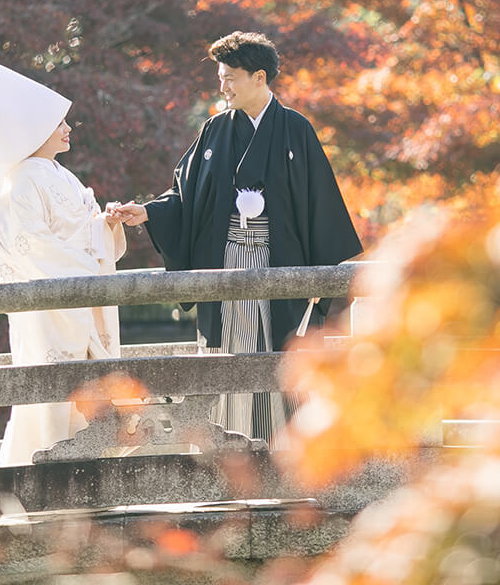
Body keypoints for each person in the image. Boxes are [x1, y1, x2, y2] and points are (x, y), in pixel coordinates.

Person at [113, 31, 363, 445]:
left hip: (279, 265)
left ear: (259, 77)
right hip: (226, 261)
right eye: (220, 77)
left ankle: (283, 452)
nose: (222, 86)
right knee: (227, 354)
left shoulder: (296, 130)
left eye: (230, 77)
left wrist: (321, 282)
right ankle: (226, 451)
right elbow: (185, 195)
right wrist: (148, 213)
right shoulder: (214, 131)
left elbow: (322, 205)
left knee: (280, 356)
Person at [0, 63, 127, 467]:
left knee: (88, 395)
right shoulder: (18, 182)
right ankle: (44, 477)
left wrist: (104, 226)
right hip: (49, 308)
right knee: (53, 397)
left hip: (79, 298)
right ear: (33, 130)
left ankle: (87, 483)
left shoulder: (62, 175)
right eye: (58, 122)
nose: (68, 128)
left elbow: (82, 232)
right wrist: (90, 260)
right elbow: (33, 248)